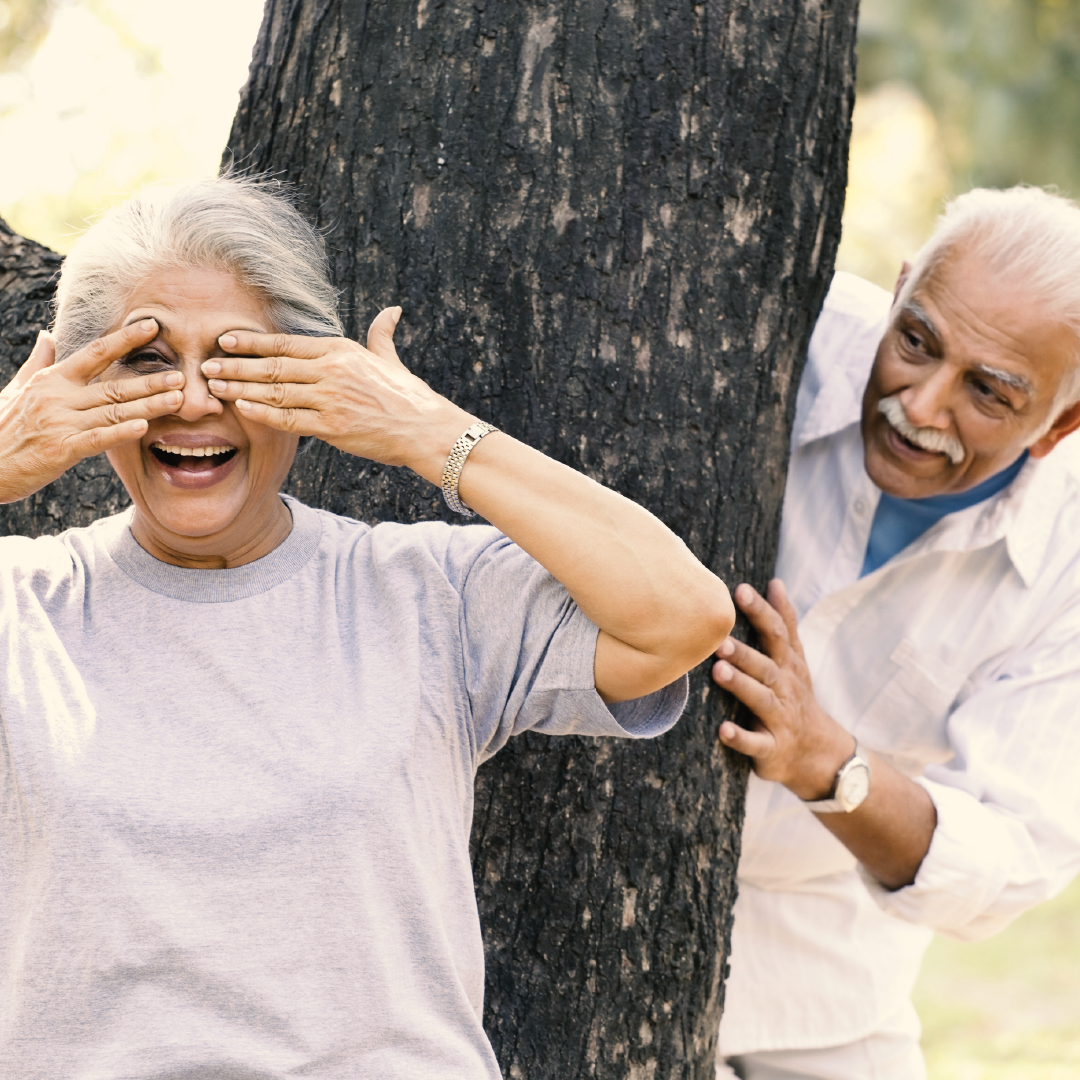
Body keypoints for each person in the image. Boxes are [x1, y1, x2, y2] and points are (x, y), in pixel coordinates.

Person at [0, 175, 735, 1080]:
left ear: (313, 380)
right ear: (74, 385)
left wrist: (428, 431)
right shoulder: (21, 607)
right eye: (147, 360)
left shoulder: (429, 592)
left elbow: (681, 615)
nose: (192, 401)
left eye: (237, 361)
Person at [712, 185, 1080, 1080]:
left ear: (1062, 423)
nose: (920, 406)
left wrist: (828, 765)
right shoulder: (768, 323)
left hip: (825, 989)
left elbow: (1014, 855)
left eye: (988, 393)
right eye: (915, 342)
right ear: (902, 287)